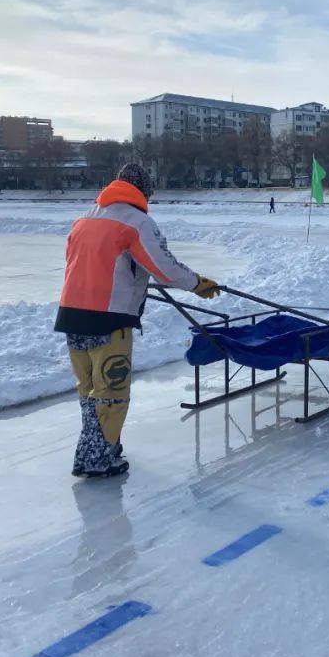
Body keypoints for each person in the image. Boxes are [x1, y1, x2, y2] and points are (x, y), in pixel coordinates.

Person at [54, 163, 220, 478]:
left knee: (89, 389)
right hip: (109, 319)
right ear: (143, 191)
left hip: (70, 314)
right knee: (112, 390)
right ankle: (98, 458)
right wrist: (197, 283)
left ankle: (98, 447)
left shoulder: (85, 219)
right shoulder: (136, 223)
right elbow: (164, 268)